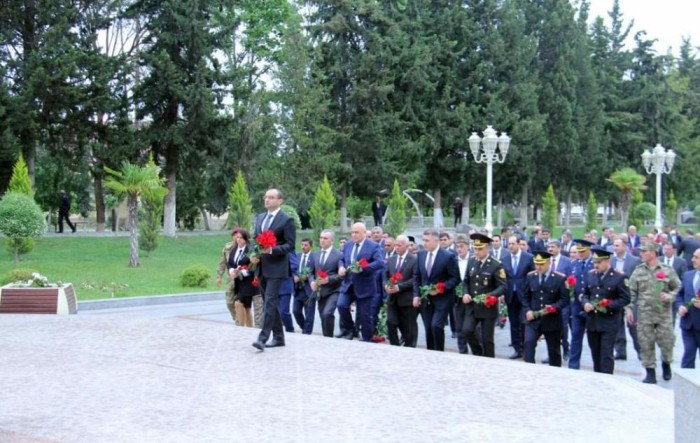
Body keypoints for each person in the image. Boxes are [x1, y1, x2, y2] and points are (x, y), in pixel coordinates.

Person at [628, 241, 680, 383]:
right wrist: (629, 309)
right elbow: (631, 292)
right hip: (645, 313)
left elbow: (677, 287)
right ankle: (650, 371)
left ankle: (666, 363)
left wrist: (670, 296)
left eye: (644, 251)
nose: (641, 254)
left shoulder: (667, 269)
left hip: (663, 314)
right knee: (646, 342)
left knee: (667, 341)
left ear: (653, 253)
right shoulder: (638, 270)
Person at [251, 188, 296, 351]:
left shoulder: (286, 220)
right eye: (265, 197)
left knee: (269, 302)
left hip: (277, 268)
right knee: (270, 303)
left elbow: (290, 245)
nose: (267, 200)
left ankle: (262, 338)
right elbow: (254, 240)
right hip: (261, 266)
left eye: (271, 197)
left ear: (280, 201)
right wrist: (253, 254)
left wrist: (272, 250)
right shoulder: (260, 218)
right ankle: (279, 337)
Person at [581, 246, 630, 374]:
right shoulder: (591, 274)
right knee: (595, 353)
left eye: (599, 262)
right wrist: (585, 303)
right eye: (594, 262)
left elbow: (625, 298)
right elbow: (585, 293)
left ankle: (607, 379)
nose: (596, 265)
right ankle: (598, 378)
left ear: (607, 261)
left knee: (606, 354)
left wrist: (607, 305)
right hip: (593, 322)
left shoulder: (619, 277)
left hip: (609, 321)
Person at [461, 233, 507, 357]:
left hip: (487, 307)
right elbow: (465, 280)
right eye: (475, 248)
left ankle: (489, 361)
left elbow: (502, 286)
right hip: (472, 306)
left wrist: (489, 296)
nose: (477, 251)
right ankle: (478, 352)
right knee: (467, 330)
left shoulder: (496, 264)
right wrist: (465, 293)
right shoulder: (471, 261)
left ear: (487, 248)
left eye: (480, 249)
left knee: (488, 339)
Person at [413, 229, 460, 351]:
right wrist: (416, 295)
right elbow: (417, 277)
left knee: (436, 326)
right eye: (423, 240)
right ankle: (431, 354)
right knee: (428, 328)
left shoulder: (448, 256)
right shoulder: (421, 255)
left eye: (427, 240)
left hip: (442, 299)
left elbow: (455, 278)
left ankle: (439, 353)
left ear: (436, 240)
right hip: (426, 300)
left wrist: (440, 288)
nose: (424, 243)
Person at [337, 222, 384, 341]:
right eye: (352, 232)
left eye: (356, 232)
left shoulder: (373, 246)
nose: (353, 235)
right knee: (341, 305)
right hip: (348, 284)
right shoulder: (348, 245)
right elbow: (342, 259)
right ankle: (351, 329)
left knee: (364, 316)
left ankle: (367, 339)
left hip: (365, 285)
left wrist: (363, 268)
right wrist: (341, 267)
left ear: (364, 232)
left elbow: (380, 263)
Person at [522, 250, 569, 367]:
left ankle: (555, 374)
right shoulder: (530, 276)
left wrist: (554, 307)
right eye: (536, 264)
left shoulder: (559, 278)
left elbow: (565, 299)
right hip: (534, 319)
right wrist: (527, 310)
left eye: (541, 264)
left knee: (554, 351)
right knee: (528, 343)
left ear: (548, 263)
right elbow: (525, 296)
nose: (538, 267)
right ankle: (529, 369)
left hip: (552, 321)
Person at [502, 235, 534, 359]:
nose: (510, 246)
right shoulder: (504, 259)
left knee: (524, 322)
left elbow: (532, 276)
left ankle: (526, 348)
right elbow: (503, 278)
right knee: (514, 323)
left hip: (524, 295)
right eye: (509, 244)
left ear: (519, 244)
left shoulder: (528, 258)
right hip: (511, 295)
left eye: (513, 244)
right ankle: (517, 348)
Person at [610, 237, 642, 360]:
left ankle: (640, 351)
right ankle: (620, 351)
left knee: (632, 324)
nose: (615, 248)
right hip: (616, 297)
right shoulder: (611, 260)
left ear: (624, 247)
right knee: (618, 325)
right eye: (614, 245)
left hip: (631, 296)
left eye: (617, 245)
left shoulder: (635, 260)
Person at [311, 230, 345, 338]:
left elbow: (342, 275)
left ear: (332, 240)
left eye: (325, 238)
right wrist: (311, 281)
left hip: (334, 290)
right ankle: (326, 337)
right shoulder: (315, 254)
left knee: (327, 313)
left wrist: (328, 279)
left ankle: (329, 338)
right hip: (321, 292)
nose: (322, 240)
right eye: (321, 238)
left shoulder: (339, 255)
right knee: (323, 316)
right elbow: (310, 271)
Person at [384, 235, 418, 347]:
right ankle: (394, 345)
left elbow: (415, 279)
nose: (397, 247)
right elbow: (385, 275)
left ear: (407, 246)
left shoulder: (414, 260)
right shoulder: (391, 259)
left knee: (408, 327)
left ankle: (410, 347)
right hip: (393, 299)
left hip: (407, 299)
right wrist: (386, 286)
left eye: (399, 245)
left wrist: (399, 287)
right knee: (391, 322)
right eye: (396, 245)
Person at [568, 239, 594, 370]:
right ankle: (573, 365)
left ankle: (598, 366)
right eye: (578, 251)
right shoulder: (574, 265)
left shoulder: (595, 264)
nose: (580, 254)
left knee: (593, 338)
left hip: (591, 306)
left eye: (583, 251)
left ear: (589, 250)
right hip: (577, 307)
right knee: (575, 336)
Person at [675, 249, 700, 368]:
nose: (692, 259)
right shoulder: (688, 275)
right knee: (688, 356)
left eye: (696, 257)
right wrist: (680, 306)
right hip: (688, 324)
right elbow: (679, 294)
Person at [227, 228, 256, 327]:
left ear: (246, 239)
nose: (238, 240)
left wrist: (242, 272)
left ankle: (245, 327)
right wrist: (231, 270)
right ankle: (244, 327)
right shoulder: (234, 250)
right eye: (237, 237)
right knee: (242, 305)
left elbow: (254, 267)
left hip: (248, 282)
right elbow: (230, 263)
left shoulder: (250, 250)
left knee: (242, 304)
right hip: (238, 282)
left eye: (241, 238)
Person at [293, 238, 316, 334]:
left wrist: (309, 278)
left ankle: (307, 333)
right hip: (298, 290)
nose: (303, 247)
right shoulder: (297, 256)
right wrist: (294, 277)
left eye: (306, 245)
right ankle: (304, 327)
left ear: (311, 246)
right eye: (302, 244)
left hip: (309, 290)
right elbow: (292, 269)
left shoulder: (315, 257)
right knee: (296, 311)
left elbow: (316, 271)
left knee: (309, 315)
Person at [216, 229, 238, 322]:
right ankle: (236, 318)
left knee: (240, 302)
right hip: (230, 279)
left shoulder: (246, 247)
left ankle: (239, 321)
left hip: (242, 278)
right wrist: (219, 277)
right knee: (229, 302)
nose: (237, 238)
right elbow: (222, 263)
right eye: (235, 235)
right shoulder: (227, 247)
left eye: (239, 236)